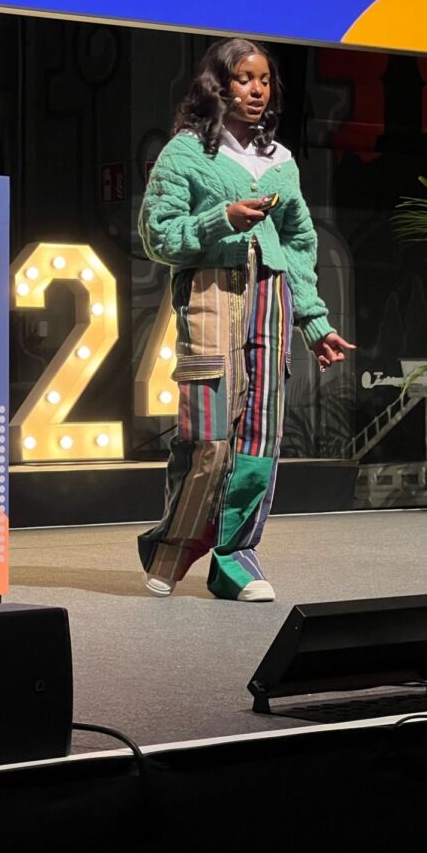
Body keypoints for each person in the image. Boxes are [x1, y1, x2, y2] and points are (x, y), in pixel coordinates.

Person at [137, 37, 354, 602]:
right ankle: (173, 546)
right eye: (244, 79)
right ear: (218, 84)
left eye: (264, 81)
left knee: (260, 437)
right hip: (212, 300)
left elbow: (299, 243)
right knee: (207, 436)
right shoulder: (185, 153)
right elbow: (158, 235)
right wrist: (220, 218)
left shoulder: (280, 162)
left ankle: (235, 557)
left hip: (271, 304)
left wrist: (315, 321)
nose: (257, 90)